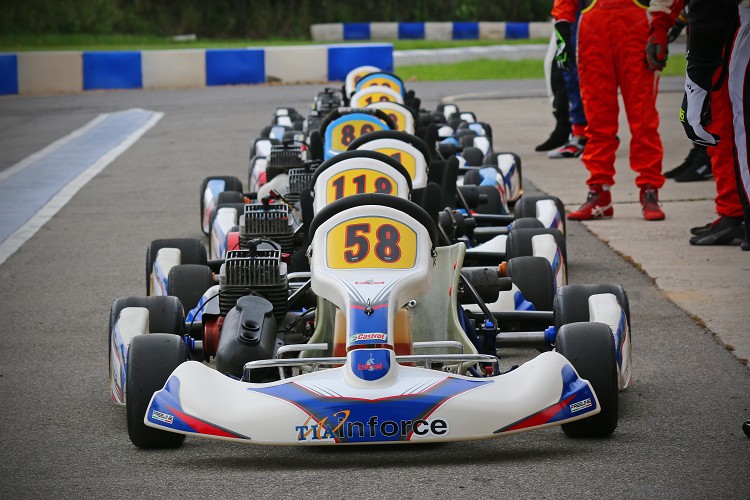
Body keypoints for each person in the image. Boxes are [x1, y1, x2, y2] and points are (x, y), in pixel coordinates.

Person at [552, 0, 684, 221]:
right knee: (597, 121)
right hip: (594, 31)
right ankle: (599, 193)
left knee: (644, 121)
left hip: (637, 30)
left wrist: (661, 27)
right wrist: (562, 27)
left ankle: (650, 190)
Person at [680, 0, 750, 250]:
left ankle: (732, 212)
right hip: (725, 24)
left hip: (728, 27)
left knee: (727, 132)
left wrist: (697, 75)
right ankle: (731, 211)